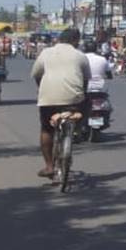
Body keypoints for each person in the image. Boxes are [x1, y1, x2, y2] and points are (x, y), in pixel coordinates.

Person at [32, 28, 92, 179]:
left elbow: (36, 74)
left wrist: (41, 89)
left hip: (47, 99)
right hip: (74, 100)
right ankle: (77, 128)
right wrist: (81, 96)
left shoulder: (46, 53)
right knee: (88, 102)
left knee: (46, 130)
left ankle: (49, 166)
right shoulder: (80, 55)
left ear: (59, 39)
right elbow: (85, 80)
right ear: (76, 41)